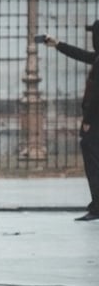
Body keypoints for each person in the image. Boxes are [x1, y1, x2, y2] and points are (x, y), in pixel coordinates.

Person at [44, 22, 99, 221]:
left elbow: (96, 96)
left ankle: (97, 207)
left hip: (95, 123)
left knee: (93, 162)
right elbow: (82, 55)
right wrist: (58, 44)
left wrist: (88, 121)